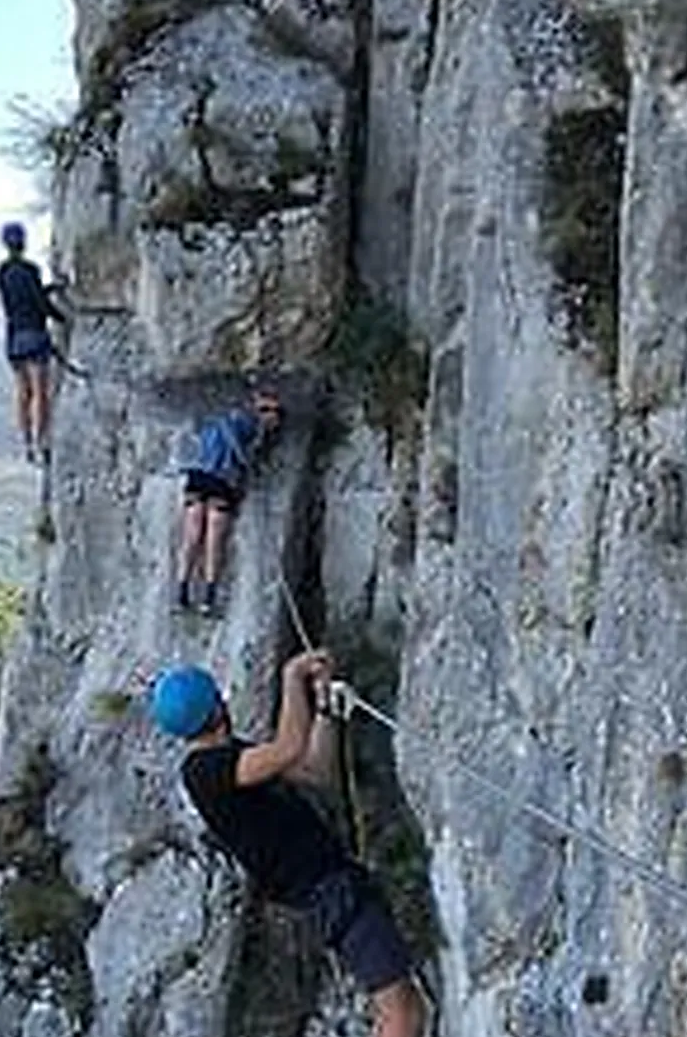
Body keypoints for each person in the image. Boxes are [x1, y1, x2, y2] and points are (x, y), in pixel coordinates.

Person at [150, 653, 428, 1037]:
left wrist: (325, 706)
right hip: (328, 892)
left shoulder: (233, 757)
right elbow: (288, 748)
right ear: (216, 706)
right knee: (401, 1015)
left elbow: (316, 771)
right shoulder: (205, 771)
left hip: (335, 886)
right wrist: (291, 677)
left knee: (406, 1005)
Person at [177, 386, 283, 615]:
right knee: (213, 537)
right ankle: (207, 596)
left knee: (193, 534)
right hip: (222, 481)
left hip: (198, 476)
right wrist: (245, 462)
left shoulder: (225, 420)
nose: (273, 418)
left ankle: (183, 592)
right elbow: (238, 447)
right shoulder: (248, 423)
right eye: (271, 411)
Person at [0, 222, 68, 464]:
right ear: (23, 242)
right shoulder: (31, 269)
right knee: (41, 393)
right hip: (35, 335)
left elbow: (20, 298)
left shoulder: (2, 272)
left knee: (23, 394)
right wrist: (61, 317)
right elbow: (37, 302)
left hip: (14, 338)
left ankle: (27, 443)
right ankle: (43, 441)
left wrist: (46, 290)